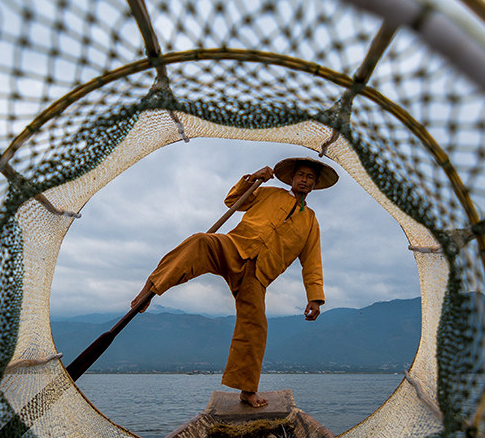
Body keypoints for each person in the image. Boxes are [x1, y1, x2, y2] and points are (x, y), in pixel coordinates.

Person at [131, 157, 338, 407]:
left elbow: (312, 261)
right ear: (292, 179)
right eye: (301, 175)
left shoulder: (311, 222)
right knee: (201, 241)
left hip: (259, 274)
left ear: (314, 185)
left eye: (310, 178)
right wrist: (252, 179)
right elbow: (232, 201)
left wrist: (314, 298)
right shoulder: (270, 193)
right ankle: (151, 287)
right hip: (235, 247)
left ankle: (247, 390)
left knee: (256, 326)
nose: (305, 180)